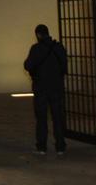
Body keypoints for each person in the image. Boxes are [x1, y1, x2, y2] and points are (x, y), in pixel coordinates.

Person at [23, 23, 67, 155]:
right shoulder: (59, 47)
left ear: (38, 35)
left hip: (41, 88)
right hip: (56, 87)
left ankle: (42, 147)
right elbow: (64, 66)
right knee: (58, 117)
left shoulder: (36, 49)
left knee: (41, 118)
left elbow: (28, 65)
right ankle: (60, 146)